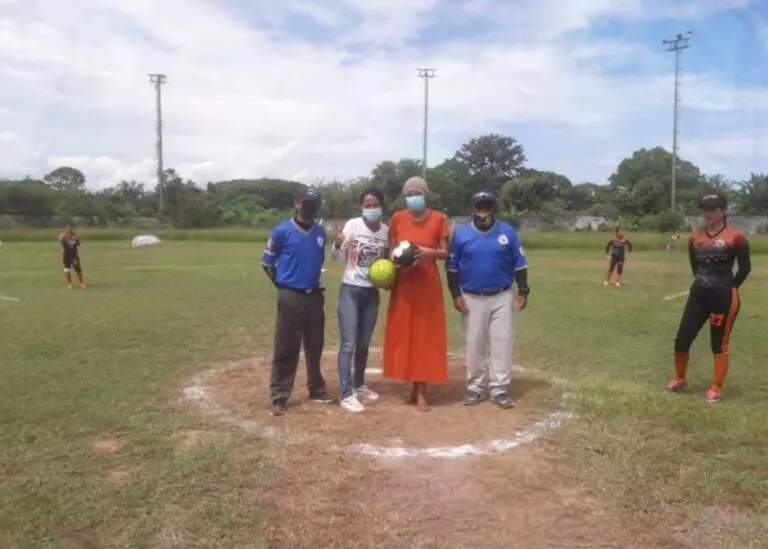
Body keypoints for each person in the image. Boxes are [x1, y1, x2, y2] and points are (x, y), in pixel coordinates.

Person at [445, 191, 529, 409]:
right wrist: (455, 294)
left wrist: (523, 290)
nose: (483, 210)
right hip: (472, 297)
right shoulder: (461, 233)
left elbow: (519, 263)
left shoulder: (506, 231)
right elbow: (452, 267)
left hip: (502, 295)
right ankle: (475, 387)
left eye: (487, 206)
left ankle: (499, 388)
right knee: (475, 344)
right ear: (472, 209)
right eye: (479, 206)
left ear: (493, 208)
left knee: (503, 342)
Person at [666, 192, 751, 403]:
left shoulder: (736, 236)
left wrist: (730, 287)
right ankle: (680, 379)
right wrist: (705, 284)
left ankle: (716, 387)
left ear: (723, 210)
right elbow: (695, 267)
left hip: (724, 296)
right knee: (682, 338)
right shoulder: (695, 237)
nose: (708, 212)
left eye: (713, 208)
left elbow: (745, 268)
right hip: (699, 294)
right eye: (704, 208)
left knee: (718, 343)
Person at [261, 187, 336, 416]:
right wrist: (285, 287)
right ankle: (279, 396)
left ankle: (317, 389)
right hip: (291, 295)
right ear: (296, 203)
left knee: (315, 346)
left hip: (314, 296)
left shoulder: (320, 232)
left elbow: (318, 261)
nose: (311, 206)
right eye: (307, 202)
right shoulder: (281, 232)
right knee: (286, 347)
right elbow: (268, 263)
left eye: (314, 202)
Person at [383, 176, 450, 412]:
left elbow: (444, 253)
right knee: (405, 333)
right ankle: (412, 385)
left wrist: (424, 251)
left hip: (427, 284)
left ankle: (422, 390)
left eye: (417, 192)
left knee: (425, 335)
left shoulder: (438, 218)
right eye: (409, 193)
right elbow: (390, 250)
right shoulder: (397, 218)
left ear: (425, 193)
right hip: (403, 282)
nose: (413, 196)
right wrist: (396, 262)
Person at [330, 187, 389, 413]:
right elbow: (335, 258)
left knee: (364, 343)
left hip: (371, 292)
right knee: (349, 343)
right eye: (368, 205)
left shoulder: (385, 231)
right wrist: (337, 244)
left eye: (375, 205)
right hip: (351, 290)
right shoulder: (353, 225)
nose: (372, 209)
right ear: (362, 207)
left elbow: (385, 264)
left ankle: (359, 384)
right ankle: (346, 393)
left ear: (381, 206)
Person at [59, 224, 86, 289]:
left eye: (70, 228)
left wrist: (78, 239)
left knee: (77, 269)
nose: (69, 229)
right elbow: (62, 242)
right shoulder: (63, 235)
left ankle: (81, 282)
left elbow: (78, 244)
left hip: (74, 255)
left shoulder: (75, 235)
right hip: (66, 255)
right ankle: (69, 283)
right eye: (68, 228)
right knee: (67, 270)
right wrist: (64, 238)